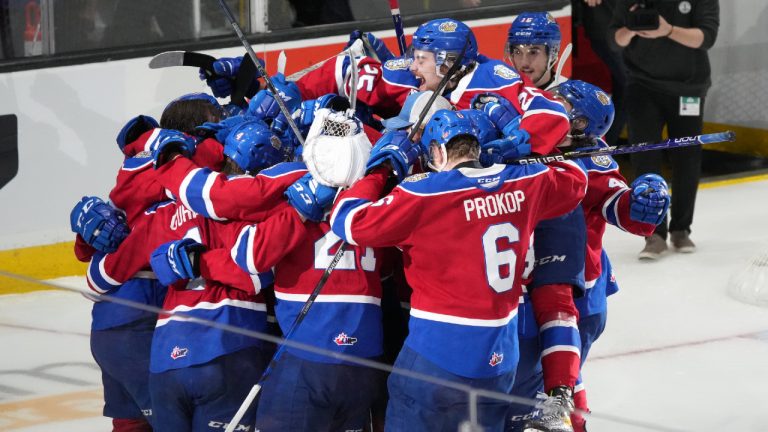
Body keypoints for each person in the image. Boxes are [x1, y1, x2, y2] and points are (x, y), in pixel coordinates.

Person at [327, 109, 588, 431]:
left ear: (437, 151)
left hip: (439, 350)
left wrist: (379, 170)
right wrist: (523, 150)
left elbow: (347, 222)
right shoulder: (527, 181)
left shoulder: (424, 194)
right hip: (501, 355)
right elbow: (576, 180)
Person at [85, 120, 290, 431]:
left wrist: (87, 237)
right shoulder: (255, 209)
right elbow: (256, 274)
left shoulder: (160, 211)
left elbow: (98, 276)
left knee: (129, 422)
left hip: (162, 354)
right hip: (226, 348)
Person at [609, 0, 720, 259]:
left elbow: (706, 37)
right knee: (645, 158)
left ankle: (681, 229)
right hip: (642, 84)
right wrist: (632, 28)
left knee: (687, 157)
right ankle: (653, 233)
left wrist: (667, 30)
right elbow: (615, 40)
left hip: (688, 87)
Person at [504, 11, 567, 90]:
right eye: (518, 52)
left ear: (552, 53)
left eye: (533, 52)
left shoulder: (568, 98)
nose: (524, 63)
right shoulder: (505, 93)